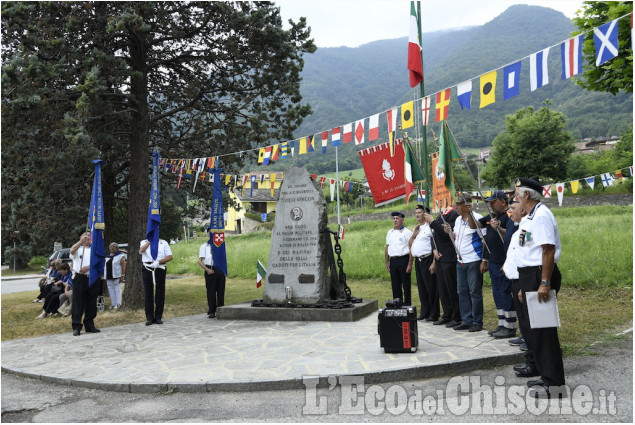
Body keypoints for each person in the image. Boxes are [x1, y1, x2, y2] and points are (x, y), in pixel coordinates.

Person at [514, 177, 565, 399]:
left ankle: (554, 386)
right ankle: (546, 376)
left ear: (526, 195)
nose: (514, 196)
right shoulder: (531, 217)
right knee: (535, 332)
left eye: (517, 192)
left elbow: (547, 251)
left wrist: (544, 282)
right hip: (529, 275)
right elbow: (529, 250)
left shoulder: (542, 215)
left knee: (544, 332)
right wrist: (523, 284)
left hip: (539, 274)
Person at [502, 199, 537, 378]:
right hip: (516, 281)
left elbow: (528, 256)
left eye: (513, 208)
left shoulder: (526, 229)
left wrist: (523, 285)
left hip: (524, 280)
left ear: (522, 210)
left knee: (531, 326)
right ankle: (531, 360)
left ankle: (534, 363)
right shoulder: (518, 230)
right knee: (524, 324)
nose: (510, 211)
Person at [444, 195, 486, 332]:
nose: (456, 207)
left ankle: (477, 321)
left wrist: (484, 260)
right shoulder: (457, 219)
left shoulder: (477, 217)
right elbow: (456, 237)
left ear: (466, 205)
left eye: (458, 204)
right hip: (460, 260)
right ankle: (466, 320)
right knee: (461, 291)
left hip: (473, 259)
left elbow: (484, 239)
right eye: (456, 204)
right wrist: (449, 232)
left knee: (474, 291)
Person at [478, 191, 517, 339]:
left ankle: (510, 326)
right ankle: (502, 323)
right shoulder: (492, 216)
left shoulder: (510, 215)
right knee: (497, 293)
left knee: (506, 293)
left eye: (493, 202)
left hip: (504, 261)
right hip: (493, 260)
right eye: (489, 202)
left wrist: (498, 228)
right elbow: (475, 226)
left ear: (503, 202)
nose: (491, 205)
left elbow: (511, 236)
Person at [426, 207, 462, 328]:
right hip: (439, 257)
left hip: (449, 256)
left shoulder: (454, 214)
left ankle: (456, 316)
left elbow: (447, 234)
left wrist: (433, 222)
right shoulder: (441, 214)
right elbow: (434, 235)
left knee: (451, 288)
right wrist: (434, 249)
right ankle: (447, 314)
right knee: (443, 289)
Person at [409, 205, 438, 321]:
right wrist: (414, 234)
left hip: (428, 259)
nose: (417, 215)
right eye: (416, 213)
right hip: (418, 261)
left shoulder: (431, 227)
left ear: (426, 214)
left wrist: (434, 262)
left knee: (431, 288)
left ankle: (434, 313)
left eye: (420, 212)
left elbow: (436, 245)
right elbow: (410, 244)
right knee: (422, 288)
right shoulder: (417, 228)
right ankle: (424, 312)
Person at [70, 231, 100, 336]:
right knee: (78, 302)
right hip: (80, 278)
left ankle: (89, 325)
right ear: (81, 237)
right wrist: (80, 242)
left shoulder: (94, 249)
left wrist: (89, 267)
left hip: (92, 277)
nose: (87, 237)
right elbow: (72, 251)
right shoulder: (78, 248)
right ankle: (76, 326)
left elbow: (99, 263)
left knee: (91, 302)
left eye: (89, 235)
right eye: (85, 235)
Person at [140, 238, 173, 326]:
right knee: (148, 292)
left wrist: (158, 261)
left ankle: (158, 317)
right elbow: (141, 251)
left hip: (160, 268)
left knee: (160, 292)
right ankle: (149, 317)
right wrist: (149, 242)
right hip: (148, 268)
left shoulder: (163, 242)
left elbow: (170, 256)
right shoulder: (143, 242)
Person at [385, 211, 413, 306]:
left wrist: (410, 263)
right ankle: (397, 303)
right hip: (393, 260)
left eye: (397, 218)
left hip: (403, 260)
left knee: (406, 284)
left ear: (402, 219)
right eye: (394, 218)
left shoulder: (407, 232)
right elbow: (387, 247)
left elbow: (411, 249)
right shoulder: (390, 232)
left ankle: (407, 304)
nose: (395, 220)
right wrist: (387, 262)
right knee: (395, 284)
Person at [198, 236, 226, 319]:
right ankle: (212, 311)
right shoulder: (204, 246)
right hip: (210, 269)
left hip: (219, 269)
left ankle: (221, 309)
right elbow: (199, 261)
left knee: (221, 290)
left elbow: (223, 257)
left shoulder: (220, 246)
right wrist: (207, 270)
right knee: (211, 291)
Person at [104, 242, 126, 309]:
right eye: (111, 247)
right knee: (111, 290)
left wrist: (123, 275)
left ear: (117, 248)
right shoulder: (107, 257)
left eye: (114, 246)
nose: (112, 248)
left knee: (117, 290)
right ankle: (113, 304)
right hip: (109, 276)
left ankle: (118, 304)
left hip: (117, 275)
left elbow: (123, 266)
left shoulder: (120, 256)